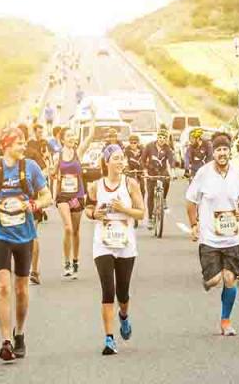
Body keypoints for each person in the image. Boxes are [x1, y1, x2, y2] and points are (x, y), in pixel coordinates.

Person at [0, 127, 51, 362]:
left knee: (21, 290)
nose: (23, 147)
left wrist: (33, 205)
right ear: (7, 146)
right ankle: (5, 340)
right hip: (1, 235)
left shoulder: (30, 168)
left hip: (25, 235)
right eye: (19, 143)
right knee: (4, 287)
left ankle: (20, 333)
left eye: (24, 143)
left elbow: (48, 196)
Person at [185, 132, 239, 336]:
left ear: (229, 152)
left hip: (231, 237)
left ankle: (225, 321)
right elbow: (190, 201)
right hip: (209, 237)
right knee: (214, 280)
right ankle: (210, 279)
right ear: (213, 153)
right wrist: (194, 224)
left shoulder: (238, 174)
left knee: (230, 278)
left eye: (225, 149)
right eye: (218, 150)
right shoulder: (203, 174)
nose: (222, 153)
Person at [85, 144, 144, 355]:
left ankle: (124, 316)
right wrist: (94, 214)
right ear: (106, 161)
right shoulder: (96, 186)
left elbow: (141, 213)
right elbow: (88, 208)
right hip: (102, 243)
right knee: (108, 290)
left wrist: (123, 209)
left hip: (125, 244)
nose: (120, 162)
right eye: (116, 158)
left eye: (122, 158)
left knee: (123, 292)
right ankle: (109, 338)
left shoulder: (131, 184)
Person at [53, 126, 94, 279]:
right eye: (68, 136)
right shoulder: (58, 155)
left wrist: (93, 117)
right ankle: (66, 263)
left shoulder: (79, 151)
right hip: (63, 196)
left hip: (77, 195)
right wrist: (52, 195)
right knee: (68, 228)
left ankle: (75, 261)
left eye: (73, 135)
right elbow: (53, 174)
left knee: (76, 231)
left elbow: (90, 136)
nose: (72, 138)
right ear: (62, 139)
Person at [24, 123, 50, 284]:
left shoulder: (32, 153)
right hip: (11, 206)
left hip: (31, 201)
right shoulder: (4, 157)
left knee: (32, 234)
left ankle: (34, 270)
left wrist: (37, 184)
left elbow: (45, 169)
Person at [140, 128, 175, 230]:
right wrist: (145, 171)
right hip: (151, 171)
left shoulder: (167, 148)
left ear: (166, 139)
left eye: (164, 138)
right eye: (160, 137)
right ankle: (150, 218)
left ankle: (163, 198)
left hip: (162, 170)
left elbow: (171, 160)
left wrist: (172, 172)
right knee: (150, 194)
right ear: (157, 137)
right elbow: (142, 160)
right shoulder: (149, 146)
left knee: (167, 179)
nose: (162, 139)